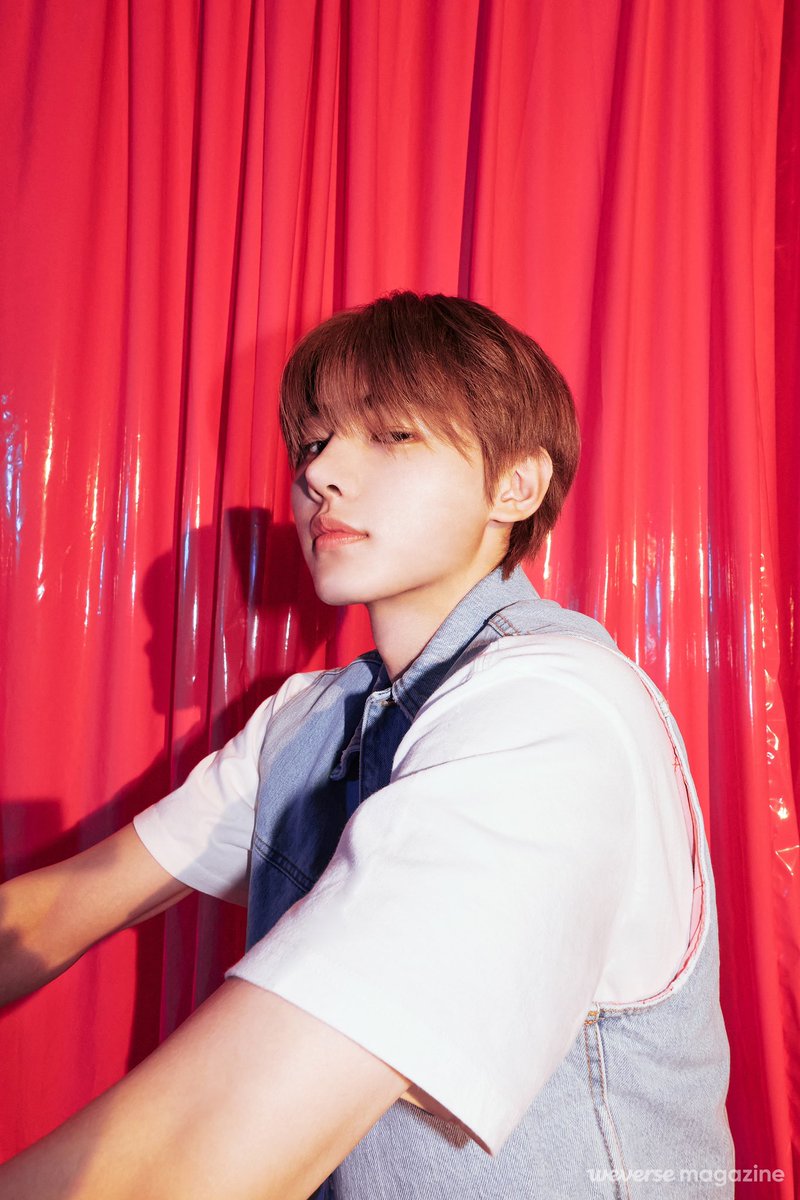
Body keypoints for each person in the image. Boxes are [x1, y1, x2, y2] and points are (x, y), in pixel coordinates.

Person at [0, 292, 734, 1198]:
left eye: (391, 435)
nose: (320, 474)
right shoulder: (310, 719)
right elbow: (56, 912)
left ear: (516, 485)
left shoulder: (556, 709)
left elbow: (197, 1153)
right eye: (313, 442)